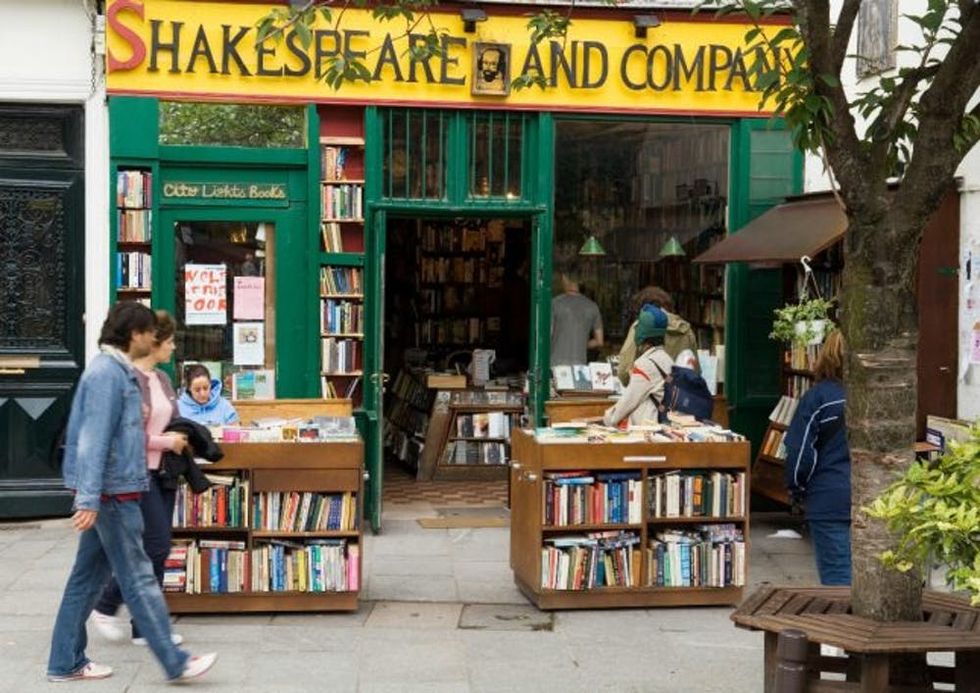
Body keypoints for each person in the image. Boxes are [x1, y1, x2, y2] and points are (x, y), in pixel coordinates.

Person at [47, 302, 217, 683]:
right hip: (114, 491)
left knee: (86, 579)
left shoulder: (115, 371)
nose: (154, 338)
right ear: (134, 335)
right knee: (139, 577)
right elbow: (93, 440)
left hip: (114, 488)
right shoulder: (107, 375)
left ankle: (64, 661)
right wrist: (88, 498)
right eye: (149, 332)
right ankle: (175, 661)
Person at [91, 311, 188, 646]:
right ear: (152, 342)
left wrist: (184, 434)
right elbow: (126, 434)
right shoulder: (127, 379)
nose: (173, 347)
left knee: (155, 548)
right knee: (156, 546)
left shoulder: (162, 378)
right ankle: (106, 604)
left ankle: (143, 627)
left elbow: (173, 419)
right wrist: (166, 442)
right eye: (169, 341)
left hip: (164, 472)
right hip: (135, 473)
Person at [784, 329, 851, 586]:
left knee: (838, 577)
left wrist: (797, 489)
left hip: (830, 496)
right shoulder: (880, 398)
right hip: (880, 499)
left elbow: (800, 453)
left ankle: (843, 614)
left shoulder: (819, 398)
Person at [603, 305, 675, 427]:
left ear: (642, 333)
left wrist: (607, 419)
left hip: (647, 430)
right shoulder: (668, 359)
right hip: (664, 427)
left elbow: (627, 402)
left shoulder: (645, 364)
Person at [617, 285, 697, 386]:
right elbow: (695, 372)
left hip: (648, 391)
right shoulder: (686, 330)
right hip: (678, 393)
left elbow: (623, 371)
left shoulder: (640, 326)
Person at [551, 269, 603, 366]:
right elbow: (599, 341)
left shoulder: (555, 304)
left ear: (565, 279)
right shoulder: (592, 306)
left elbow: (547, 336)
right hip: (579, 366)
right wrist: (581, 342)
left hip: (555, 364)